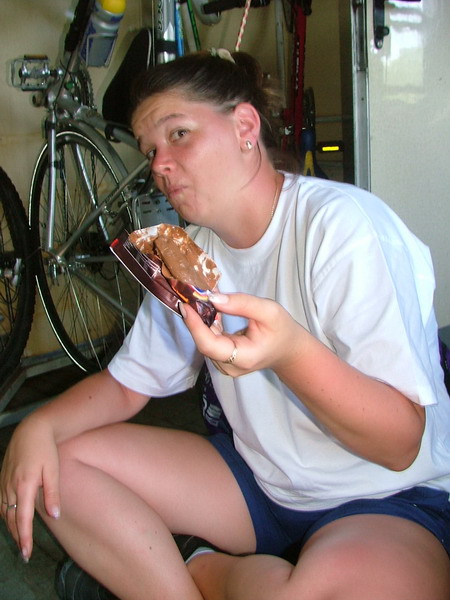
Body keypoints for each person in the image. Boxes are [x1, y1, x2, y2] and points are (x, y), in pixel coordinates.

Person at [1, 49, 450, 600]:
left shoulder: (340, 226)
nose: (159, 165)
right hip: (261, 485)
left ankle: (204, 567)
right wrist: (38, 427)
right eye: (150, 150)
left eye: (179, 134)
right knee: (58, 465)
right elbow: (127, 386)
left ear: (244, 127)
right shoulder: (184, 253)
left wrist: (290, 354)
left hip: (386, 497)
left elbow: (400, 445)